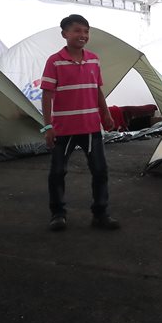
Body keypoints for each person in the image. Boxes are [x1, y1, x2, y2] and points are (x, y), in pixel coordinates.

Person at [40, 14, 118, 232]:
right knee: (57, 173)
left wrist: (106, 114)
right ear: (65, 34)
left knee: (100, 171)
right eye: (77, 30)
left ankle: (100, 213)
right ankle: (57, 214)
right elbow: (46, 95)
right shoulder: (54, 61)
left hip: (91, 127)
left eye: (86, 31)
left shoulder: (93, 59)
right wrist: (48, 127)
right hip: (63, 129)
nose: (82, 35)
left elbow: (97, 90)